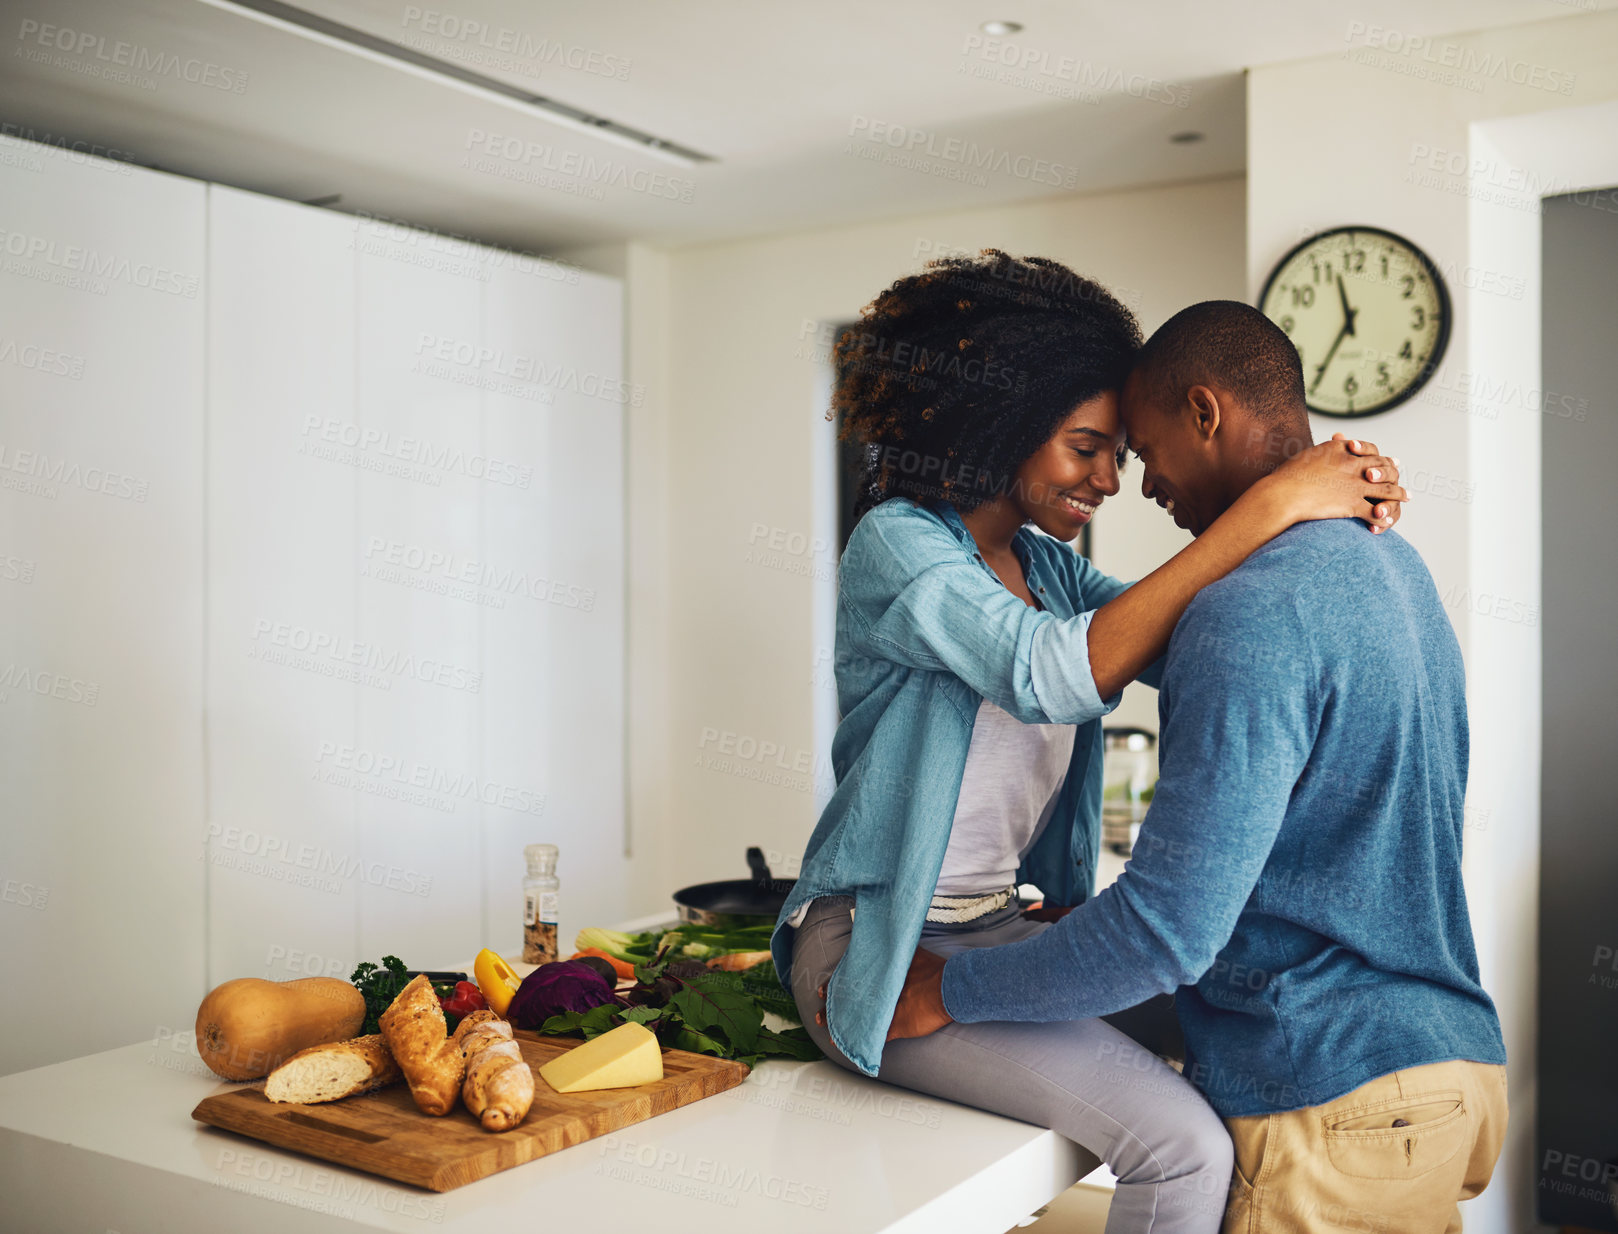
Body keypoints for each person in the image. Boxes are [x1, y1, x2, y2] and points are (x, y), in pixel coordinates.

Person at [770, 252, 1408, 1233]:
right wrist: (1276, 503)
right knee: (1180, 1149)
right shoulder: (899, 543)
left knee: (1238, 1016)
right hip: (874, 949)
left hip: (995, 924)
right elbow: (1049, 669)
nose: (1112, 479)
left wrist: (1317, 510)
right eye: (1086, 448)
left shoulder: (1041, 566)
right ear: (1003, 426)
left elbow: (1188, 633)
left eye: (1117, 452)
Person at [882, 300, 1508, 1234]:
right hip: (1446, 1068)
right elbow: (1102, 644)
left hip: (1329, 1097)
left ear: (1205, 413)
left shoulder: (1250, 612)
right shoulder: (1392, 565)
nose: (1137, 483)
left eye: (1137, 445)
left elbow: (1165, 934)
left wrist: (948, 988)